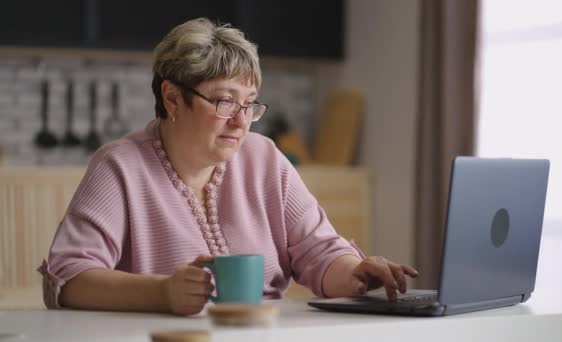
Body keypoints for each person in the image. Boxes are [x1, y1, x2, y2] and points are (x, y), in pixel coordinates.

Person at [38, 18, 418, 316]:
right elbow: (69, 277)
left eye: (249, 104)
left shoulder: (265, 158)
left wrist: (355, 272)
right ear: (172, 97)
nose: (240, 120)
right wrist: (162, 292)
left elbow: (319, 251)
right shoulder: (120, 167)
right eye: (224, 102)